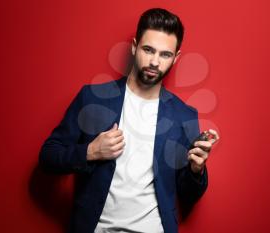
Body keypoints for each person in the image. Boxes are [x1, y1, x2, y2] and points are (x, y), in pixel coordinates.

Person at [39, 8, 219, 233]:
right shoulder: (92, 98)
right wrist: (90, 152)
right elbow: (48, 157)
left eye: (165, 54)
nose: (154, 62)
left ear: (176, 58)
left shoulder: (184, 115)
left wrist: (196, 169)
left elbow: (188, 195)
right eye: (148, 49)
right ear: (134, 46)